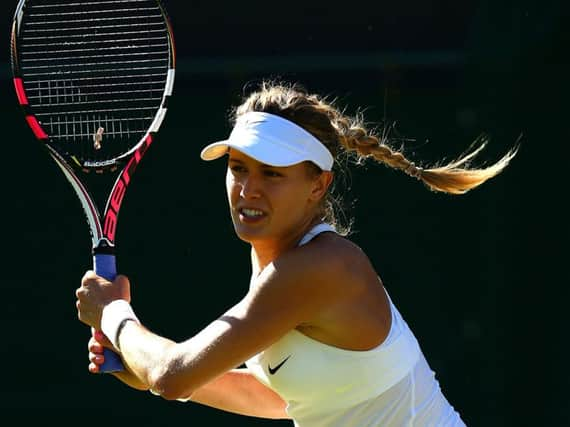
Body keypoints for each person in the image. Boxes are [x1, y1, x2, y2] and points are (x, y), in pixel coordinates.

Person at [75, 80, 518, 426]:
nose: (248, 189)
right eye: (238, 168)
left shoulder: (322, 267)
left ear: (317, 186)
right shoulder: (275, 263)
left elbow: (173, 376)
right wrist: (140, 361)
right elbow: (282, 398)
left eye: (272, 174)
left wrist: (114, 316)